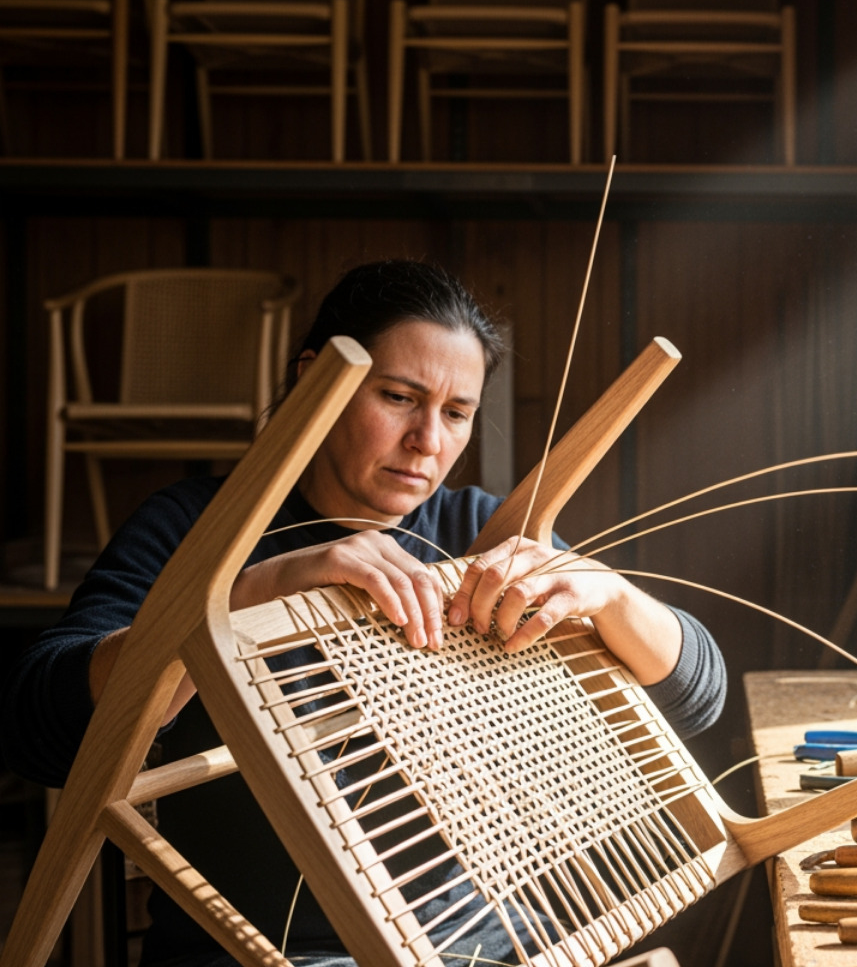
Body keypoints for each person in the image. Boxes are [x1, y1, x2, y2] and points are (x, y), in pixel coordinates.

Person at [0, 260, 725, 966]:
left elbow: (697, 696)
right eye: (400, 398)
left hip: (492, 941)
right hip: (270, 951)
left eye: (457, 413)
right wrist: (244, 595)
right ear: (313, 380)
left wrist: (612, 595)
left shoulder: (479, 536)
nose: (428, 442)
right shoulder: (197, 528)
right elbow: (36, 728)